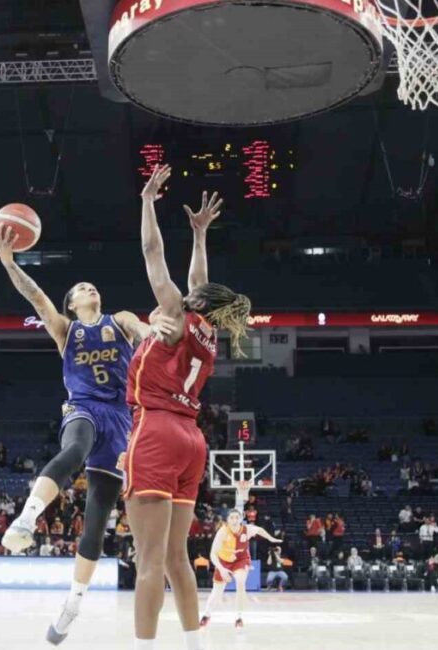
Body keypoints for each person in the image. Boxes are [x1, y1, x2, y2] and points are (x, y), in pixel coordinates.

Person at [0, 220, 175, 645]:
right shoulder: (65, 329)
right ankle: (27, 517)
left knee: (97, 520)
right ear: (72, 303)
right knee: (75, 448)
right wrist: (8, 262)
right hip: (84, 407)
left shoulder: (120, 319)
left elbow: (145, 332)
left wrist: (155, 332)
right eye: (81, 288)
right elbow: (36, 297)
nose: (90, 288)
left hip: (121, 419)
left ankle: (73, 603)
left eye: (93, 286)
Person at [125, 165, 252, 650]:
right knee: (176, 557)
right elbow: (200, 278)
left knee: (148, 561)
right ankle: (193, 645)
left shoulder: (175, 314)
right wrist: (199, 235)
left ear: (193, 300)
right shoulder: (207, 332)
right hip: (191, 441)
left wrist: (146, 202)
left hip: (156, 429)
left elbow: (151, 252)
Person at [200, 509, 282, 628]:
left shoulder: (247, 529)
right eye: (231, 518)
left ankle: (239, 617)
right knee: (217, 592)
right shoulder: (222, 532)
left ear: (241, 519)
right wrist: (222, 569)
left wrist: (271, 538)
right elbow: (213, 554)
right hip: (223, 561)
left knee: (240, 582)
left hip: (241, 560)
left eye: (236, 517)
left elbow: (259, 530)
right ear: (227, 520)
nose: (234, 520)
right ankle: (206, 615)